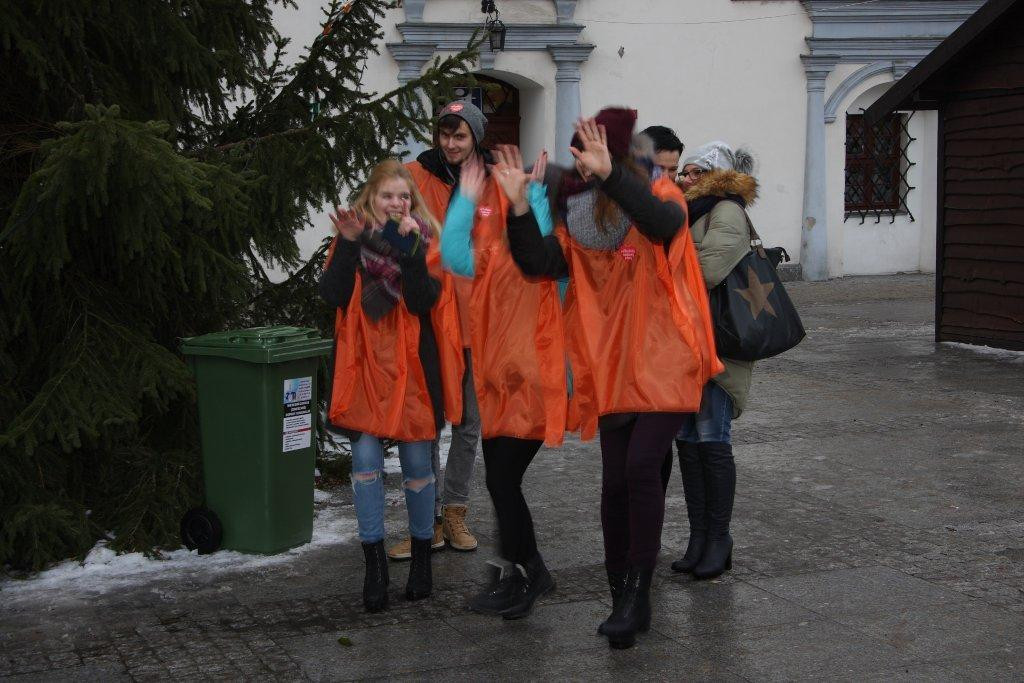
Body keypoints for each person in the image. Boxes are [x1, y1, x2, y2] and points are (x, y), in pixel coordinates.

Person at [505, 109, 722, 649]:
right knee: (615, 482)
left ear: (620, 157)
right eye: (580, 154)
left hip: (668, 358)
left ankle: (637, 596)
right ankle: (620, 588)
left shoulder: (659, 196)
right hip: (615, 369)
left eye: (596, 154)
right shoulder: (581, 221)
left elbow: (662, 224)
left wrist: (612, 176)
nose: (582, 163)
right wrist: (516, 210)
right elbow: (537, 262)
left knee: (643, 466)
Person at [318, 160, 460, 612]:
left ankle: (422, 560)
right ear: (371, 200)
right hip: (362, 365)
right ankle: (374, 565)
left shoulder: (425, 241)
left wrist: (412, 251)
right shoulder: (352, 238)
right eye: (388, 196)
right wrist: (348, 243)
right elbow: (333, 295)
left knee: (418, 462)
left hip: (413, 365)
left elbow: (422, 301)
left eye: (404, 196)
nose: (397, 203)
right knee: (364, 461)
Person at [439, 137, 569, 620]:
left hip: (529, 382)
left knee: (502, 479)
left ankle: (529, 573)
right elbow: (454, 256)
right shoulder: (493, 255)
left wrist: (529, 196)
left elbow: (531, 244)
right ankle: (519, 573)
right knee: (500, 482)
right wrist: (465, 202)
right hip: (498, 383)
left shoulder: (541, 245)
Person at [388, 101, 492, 561]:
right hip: (427, 318)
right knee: (425, 422)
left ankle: (455, 510)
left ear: (476, 139)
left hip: (475, 321)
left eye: (460, 136)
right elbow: (386, 223)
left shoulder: (490, 183)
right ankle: (425, 519)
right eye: (444, 134)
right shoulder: (413, 175)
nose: (450, 144)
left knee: (468, 421)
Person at [670, 141, 757, 581]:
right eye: (683, 173)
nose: (684, 179)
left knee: (711, 437)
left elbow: (705, 272)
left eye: (693, 172)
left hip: (719, 344)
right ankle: (699, 536)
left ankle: (719, 538)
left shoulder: (726, 211)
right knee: (687, 439)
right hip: (688, 343)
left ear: (715, 174)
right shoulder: (694, 210)